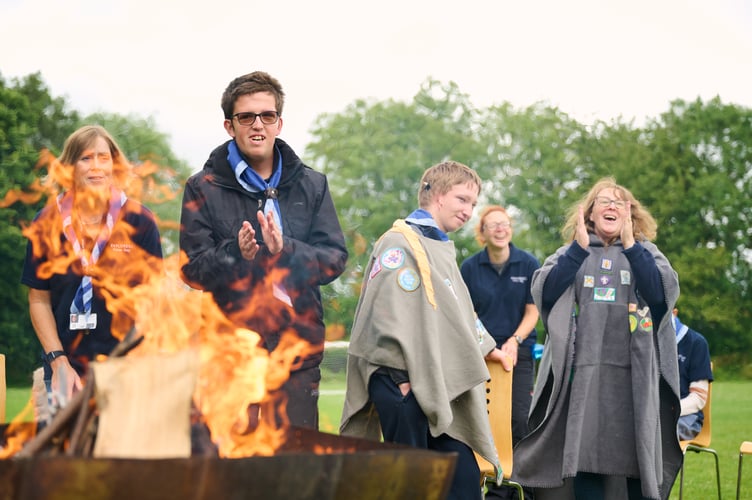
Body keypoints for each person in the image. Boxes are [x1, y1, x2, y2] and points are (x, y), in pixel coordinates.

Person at [179, 71, 347, 430]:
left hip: (297, 353)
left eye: (267, 116)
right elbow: (192, 271)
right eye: (246, 117)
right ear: (230, 126)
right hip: (232, 356)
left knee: (296, 469)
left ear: (279, 123)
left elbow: (334, 259)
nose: (258, 125)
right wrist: (237, 253)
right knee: (237, 471)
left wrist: (283, 249)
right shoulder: (202, 188)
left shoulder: (311, 184)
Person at [340, 161, 509, 500]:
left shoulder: (440, 246)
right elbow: (384, 318)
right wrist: (401, 379)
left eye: (473, 204)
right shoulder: (399, 243)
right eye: (462, 199)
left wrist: (486, 346)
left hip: (441, 388)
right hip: (407, 388)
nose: (468, 211)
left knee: (462, 482)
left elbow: (456, 314)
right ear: (436, 193)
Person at [512, 177, 682, 500]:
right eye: (604, 201)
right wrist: (576, 250)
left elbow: (660, 296)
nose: (612, 206)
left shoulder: (645, 253)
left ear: (630, 214)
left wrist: (632, 247)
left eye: (620, 202)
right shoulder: (572, 253)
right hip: (583, 380)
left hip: (634, 380)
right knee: (585, 457)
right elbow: (546, 293)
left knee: (637, 457)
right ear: (589, 213)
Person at [21, 125, 164, 404]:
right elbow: (38, 299)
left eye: (103, 157)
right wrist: (58, 361)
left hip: (126, 368)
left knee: (120, 448)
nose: (95, 167)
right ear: (69, 168)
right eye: (85, 158)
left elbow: (153, 300)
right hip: (64, 368)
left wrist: (128, 360)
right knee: (63, 446)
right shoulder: (46, 222)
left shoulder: (139, 220)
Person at [460, 205, 539, 500]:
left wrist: (514, 341)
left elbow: (533, 312)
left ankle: (524, 487)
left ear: (511, 229)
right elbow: (466, 313)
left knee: (518, 420)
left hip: (518, 355)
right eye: (492, 225)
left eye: (504, 224)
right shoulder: (469, 267)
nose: (500, 229)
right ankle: (493, 487)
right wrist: (488, 346)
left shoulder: (529, 264)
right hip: (481, 355)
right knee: (485, 421)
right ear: (482, 233)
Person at [673, 308, 713, 441]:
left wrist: (669, 412)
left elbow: (699, 398)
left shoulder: (696, 342)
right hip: (650, 415)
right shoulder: (644, 340)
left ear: (674, 312)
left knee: (657, 432)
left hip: (687, 416)